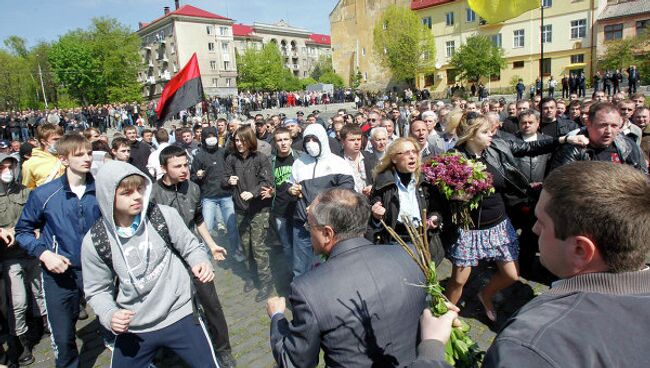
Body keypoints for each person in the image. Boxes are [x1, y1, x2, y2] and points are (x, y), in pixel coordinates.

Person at [414, 161, 650, 368]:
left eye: (542, 222)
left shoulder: (530, 345)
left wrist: (431, 349)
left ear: (580, 250)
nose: (534, 229)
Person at [444, 113, 587, 322]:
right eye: (484, 132)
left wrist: (564, 140)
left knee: (511, 274)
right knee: (458, 280)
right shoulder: (454, 159)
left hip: (499, 223)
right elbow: (441, 193)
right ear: (471, 135)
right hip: (470, 228)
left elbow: (528, 148)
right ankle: (449, 314)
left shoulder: (497, 147)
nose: (491, 134)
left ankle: (485, 295)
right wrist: (456, 195)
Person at [266, 188, 427, 367]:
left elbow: (295, 362)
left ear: (327, 233)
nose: (308, 232)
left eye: (309, 226)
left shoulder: (307, 290)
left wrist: (277, 318)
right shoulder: (410, 255)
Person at [81, 161, 219, 367]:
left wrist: (200, 261)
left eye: (139, 189)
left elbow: (191, 246)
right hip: (135, 326)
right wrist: (110, 314)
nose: (137, 196)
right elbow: (96, 289)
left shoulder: (162, 215)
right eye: (127, 193)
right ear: (108, 197)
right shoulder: (95, 240)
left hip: (179, 313)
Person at [15, 134, 102, 368]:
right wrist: (44, 253)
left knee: (116, 325)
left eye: (89, 153)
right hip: (59, 274)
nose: (87, 158)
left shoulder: (103, 189)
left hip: (99, 271)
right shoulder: (44, 194)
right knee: (63, 336)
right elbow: (23, 231)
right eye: (80, 154)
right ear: (64, 159)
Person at [149, 145, 235, 367]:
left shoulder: (194, 188)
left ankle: (223, 349)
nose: (184, 170)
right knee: (169, 308)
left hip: (195, 255)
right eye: (177, 166)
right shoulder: (151, 194)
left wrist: (212, 245)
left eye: (185, 164)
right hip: (166, 259)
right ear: (163, 168)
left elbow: (198, 220)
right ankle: (168, 352)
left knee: (212, 304)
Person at [288, 123, 354, 277]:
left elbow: (346, 191)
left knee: (327, 266)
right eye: (307, 140)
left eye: (314, 139)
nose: (310, 144)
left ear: (323, 140)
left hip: (327, 225)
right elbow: (291, 184)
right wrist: (291, 189)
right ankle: (300, 296)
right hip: (302, 224)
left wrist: (319, 205)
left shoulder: (338, 163)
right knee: (300, 267)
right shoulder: (299, 163)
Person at [0, 153, 48, 366]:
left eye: (10, 166)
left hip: (30, 252)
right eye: (3, 167)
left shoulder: (25, 191)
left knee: (40, 292)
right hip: (9, 257)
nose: (7, 171)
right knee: (18, 301)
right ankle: (20, 340)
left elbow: (36, 216)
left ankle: (44, 325)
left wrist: (37, 228)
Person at [368, 137, 446, 264]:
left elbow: (437, 209)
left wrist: (434, 218)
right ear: (394, 158)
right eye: (406, 153)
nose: (412, 156)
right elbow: (373, 218)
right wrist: (376, 215)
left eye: (414, 152)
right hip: (395, 243)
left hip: (423, 241)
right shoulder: (383, 182)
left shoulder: (425, 180)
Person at [223, 125, 275, 301]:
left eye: (242, 139)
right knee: (246, 247)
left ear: (250, 140)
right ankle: (253, 277)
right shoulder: (231, 159)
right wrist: (228, 181)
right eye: (236, 140)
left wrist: (252, 193)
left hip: (259, 209)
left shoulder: (260, 158)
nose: (239, 143)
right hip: (240, 209)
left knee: (258, 246)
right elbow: (223, 180)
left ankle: (266, 282)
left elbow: (267, 181)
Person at [550, 102, 648, 174]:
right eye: (603, 125)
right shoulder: (571, 149)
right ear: (588, 124)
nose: (609, 131)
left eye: (614, 126)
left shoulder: (628, 146)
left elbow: (643, 179)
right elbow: (560, 186)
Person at [268, 127, 300, 264]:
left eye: (286, 139)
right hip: (280, 209)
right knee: (286, 244)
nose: (283, 143)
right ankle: (292, 271)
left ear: (291, 141)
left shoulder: (300, 156)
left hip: (298, 207)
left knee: (301, 243)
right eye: (279, 140)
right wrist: (269, 190)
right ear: (275, 143)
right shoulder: (270, 161)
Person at [21, 123, 64, 189]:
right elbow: (30, 190)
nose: (60, 142)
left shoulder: (67, 156)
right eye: (55, 139)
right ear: (43, 141)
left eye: (61, 139)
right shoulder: (30, 164)